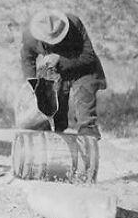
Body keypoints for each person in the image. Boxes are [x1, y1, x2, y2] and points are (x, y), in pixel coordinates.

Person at [20, 9, 106, 137]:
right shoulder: (30, 35)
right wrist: (32, 85)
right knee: (54, 118)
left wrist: (60, 59)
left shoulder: (75, 24)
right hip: (56, 73)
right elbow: (27, 60)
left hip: (83, 68)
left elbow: (89, 56)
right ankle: (57, 146)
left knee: (86, 120)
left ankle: (89, 144)